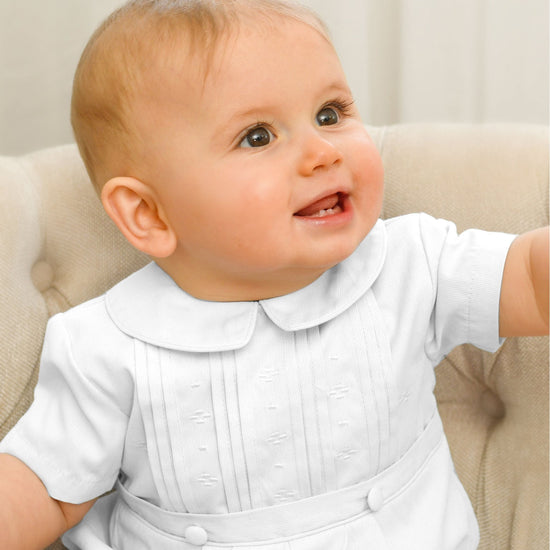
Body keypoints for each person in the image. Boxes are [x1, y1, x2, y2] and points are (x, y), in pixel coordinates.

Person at [0, 0, 548, 548]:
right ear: (149, 214)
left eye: (329, 114)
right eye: (258, 136)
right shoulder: (106, 347)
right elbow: (46, 489)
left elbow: (527, 279)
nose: (322, 152)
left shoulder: (409, 264)